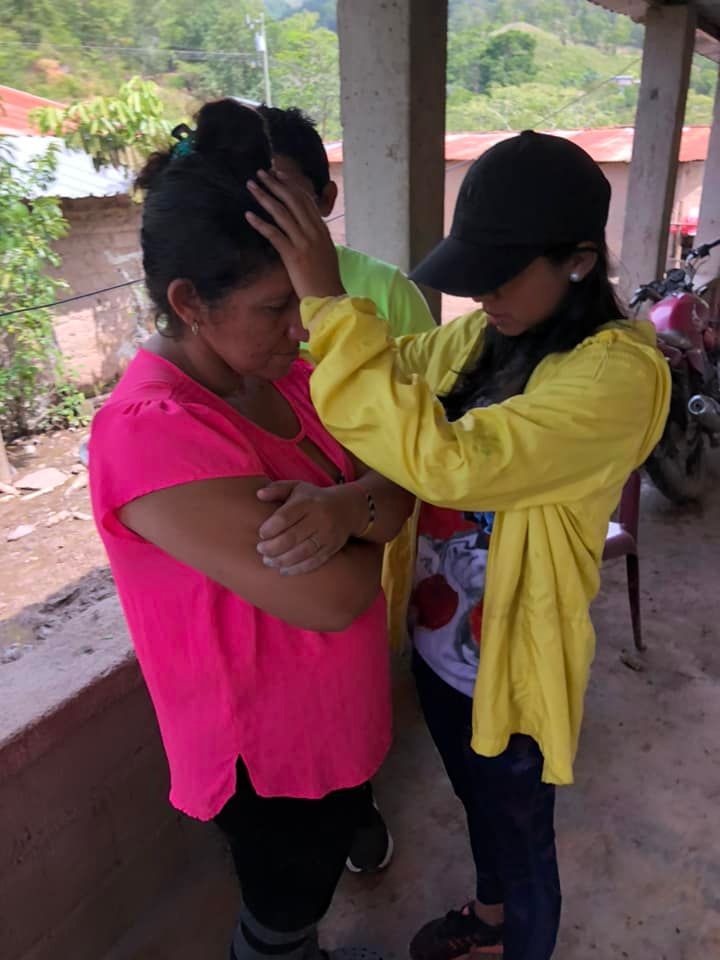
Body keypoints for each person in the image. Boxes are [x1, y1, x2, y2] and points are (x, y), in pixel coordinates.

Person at [243, 130, 671, 960]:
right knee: (480, 805)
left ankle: (520, 935)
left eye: (501, 276)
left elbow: (448, 463)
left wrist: (327, 300)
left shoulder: (615, 376)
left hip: (510, 662)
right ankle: (489, 916)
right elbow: (391, 373)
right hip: (440, 647)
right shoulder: (484, 338)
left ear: (580, 262)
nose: (483, 295)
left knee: (524, 836)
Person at [88, 99, 414, 960]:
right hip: (267, 750)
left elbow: (402, 488)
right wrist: (368, 504)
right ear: (189, 302)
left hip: (333, 716)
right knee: (283, 911)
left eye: (305, 299)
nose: (303, 328)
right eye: (277, 306)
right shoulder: (154, 432)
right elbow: (338, 594)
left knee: (313, 886)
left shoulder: (287, 377)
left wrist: (349, 511)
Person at [257, 102, 435, 875]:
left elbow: (422, 427)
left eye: (288, 196)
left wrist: (360, 503)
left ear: (325, 201)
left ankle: (358, 798)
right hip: (272, 530)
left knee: (354, 661)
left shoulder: (385, 290)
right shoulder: (233, 288)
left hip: (370, 511)